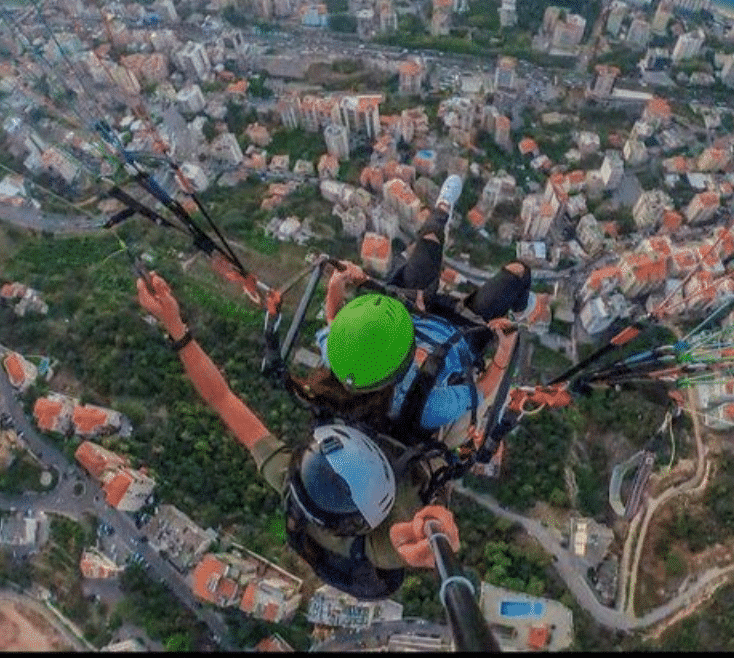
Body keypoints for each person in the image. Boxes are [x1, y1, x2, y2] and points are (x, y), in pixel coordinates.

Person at [136, 269, 461, 599]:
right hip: (374, 555)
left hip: (351, 526)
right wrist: (433, 533)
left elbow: (222, 398)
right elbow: (407, 546)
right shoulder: (380, 543)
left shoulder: (295, 480)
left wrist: (176, 326)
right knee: (450, 438)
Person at [299, 174, 534, 447]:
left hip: (409, 309)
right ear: (403, 360)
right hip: (460, 333)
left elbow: (333, 320)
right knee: (518, 273)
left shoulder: (343, 361)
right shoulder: (423, 405)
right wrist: (504, 349)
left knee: (430, 237)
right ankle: (520, 309)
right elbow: (482, 390)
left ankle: (443, 206)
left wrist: (336, 284)